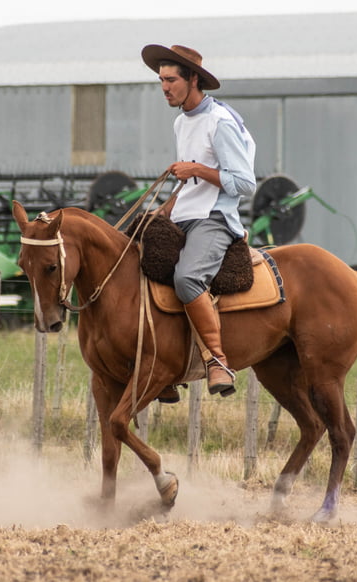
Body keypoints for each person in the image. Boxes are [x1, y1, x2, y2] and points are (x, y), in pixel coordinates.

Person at [140, 44, 257, 398]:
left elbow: (245, 183)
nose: (164, 87)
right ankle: (165, 366)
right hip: (185, 214)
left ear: (193, 79)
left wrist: (196, 169)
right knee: (136, 262)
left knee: (188, 278)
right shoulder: (181, 122)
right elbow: (191, 184)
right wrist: (165, 207)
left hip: (216, 218)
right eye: (161, 80)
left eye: (171, 80)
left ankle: (217, 362)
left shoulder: (220, 122)